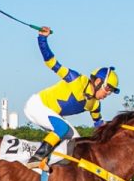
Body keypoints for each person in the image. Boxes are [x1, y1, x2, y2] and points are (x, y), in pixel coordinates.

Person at [22, 27, 119, 167]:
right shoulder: (75, 79)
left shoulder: (95, 104)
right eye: (108, 89)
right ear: (98, 82)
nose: (108, 94)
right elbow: (51, 63)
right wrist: (42, 38)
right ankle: (36, 159)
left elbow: (99, 127)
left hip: (51, 114)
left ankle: (55, 169)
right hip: (36, 105)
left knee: (75, 141)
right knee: (62, 128)